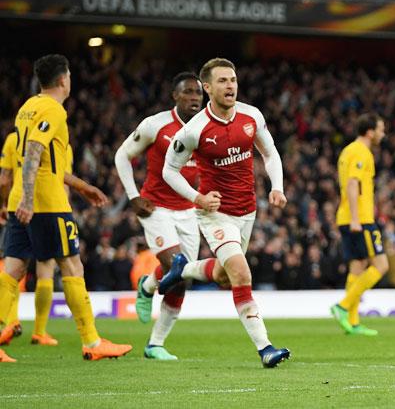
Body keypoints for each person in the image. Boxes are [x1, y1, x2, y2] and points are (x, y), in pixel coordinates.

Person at [0, 54, 132, 362]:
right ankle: (92, 341)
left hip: (20, 197)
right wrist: (32, 199)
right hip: (44, 203)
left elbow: (44, 159)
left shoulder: (27, 107)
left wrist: (81, 186)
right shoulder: (53, 109)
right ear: (63, 79)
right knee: (72, 266)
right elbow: (33, 152)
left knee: (13, 269)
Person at [160, 57, 290, 368]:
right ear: (207, 88)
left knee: (222, 275)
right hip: (215, 214)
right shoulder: (194, 130)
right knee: (241, 273)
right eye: (222, 81)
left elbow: (270, 153)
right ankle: (265, 347)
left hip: (248, 211)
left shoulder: (251, 116)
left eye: (232, 79)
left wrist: (278, 186)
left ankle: (183, 270)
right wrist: (198, 198)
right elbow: (169, 170)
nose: (230, 85)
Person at [115, 72, 208, 360]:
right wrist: (133, 196)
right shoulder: (155, 125)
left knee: (184, 278)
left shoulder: (208, 127)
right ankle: (150, 288)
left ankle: (155, 341)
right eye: (188, 92)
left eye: (198, 93)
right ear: (175, 96)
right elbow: (122, 155)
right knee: (176, 263)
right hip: (155, 208)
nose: (195, 97)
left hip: (189, 210)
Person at [0, 133, 77, 347]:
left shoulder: (13, 139)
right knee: (46, 271)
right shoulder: (60, 143)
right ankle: (39, 331)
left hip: (17, 207)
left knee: (13, 269)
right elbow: (63, 182)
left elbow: (5, 179)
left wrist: (4, 205)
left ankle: (11, 323)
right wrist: (65, 210)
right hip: (47, 208)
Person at [329, 113, 389, 336]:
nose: (383, 134)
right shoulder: (360, 152)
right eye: (381, 129)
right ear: (370, 131)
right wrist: (356, 218)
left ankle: (352, 322)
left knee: (357, 267)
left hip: (348, 217)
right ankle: (343, 306)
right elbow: (353, 183)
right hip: (360, 219)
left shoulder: (348, 150)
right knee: (382, 265)